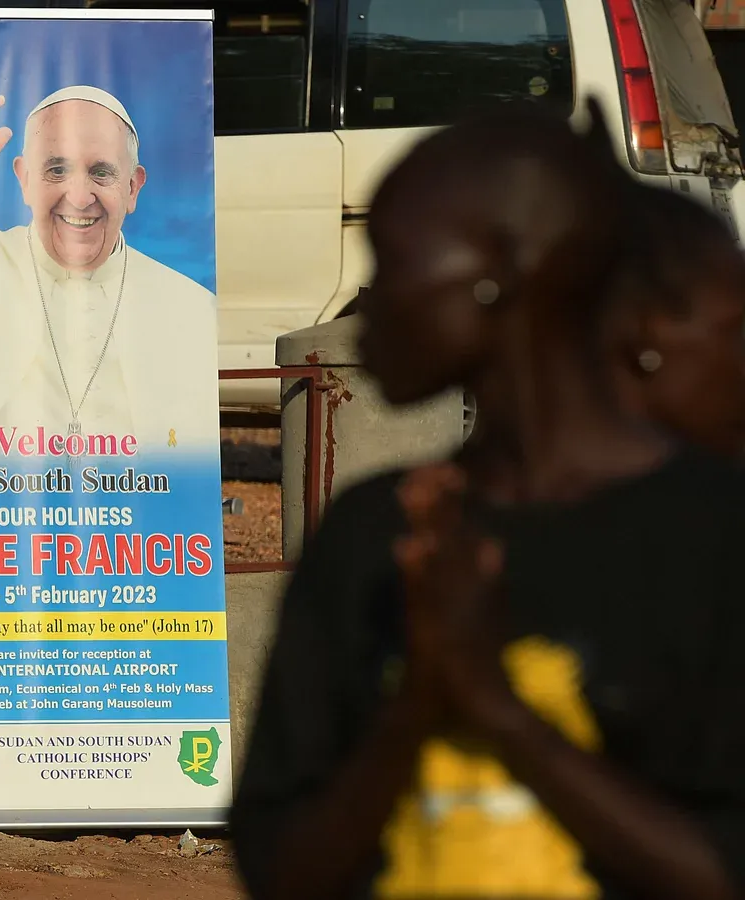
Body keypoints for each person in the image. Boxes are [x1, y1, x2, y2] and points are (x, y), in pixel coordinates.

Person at [232, 106, 745, 900]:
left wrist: (495, 708)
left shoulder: (712, 538)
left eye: (397, 259)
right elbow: (281, 870)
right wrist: (413, 711)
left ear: (499, 270)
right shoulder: (374, 535)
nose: (371, 295)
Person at [0, 86, 220, 465]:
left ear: (132, 187)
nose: (78, 197)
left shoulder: (188, 305)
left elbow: (191, 460)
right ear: (25, 179)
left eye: (101, 172)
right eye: (57, 170)